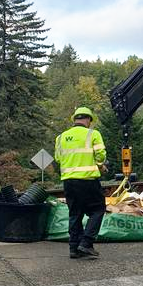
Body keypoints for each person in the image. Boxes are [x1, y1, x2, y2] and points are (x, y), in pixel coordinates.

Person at [54, 107, 107, 259]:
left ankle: (74, 248)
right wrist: (100, 164)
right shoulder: (93, 134)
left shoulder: (61, 137)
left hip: (69, 182)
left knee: (75, 213)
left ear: (75, 119)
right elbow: (101, 155)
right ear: (89, 120)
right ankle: (86, 243)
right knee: (98, 210)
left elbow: (58, 158)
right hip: (88, 180)